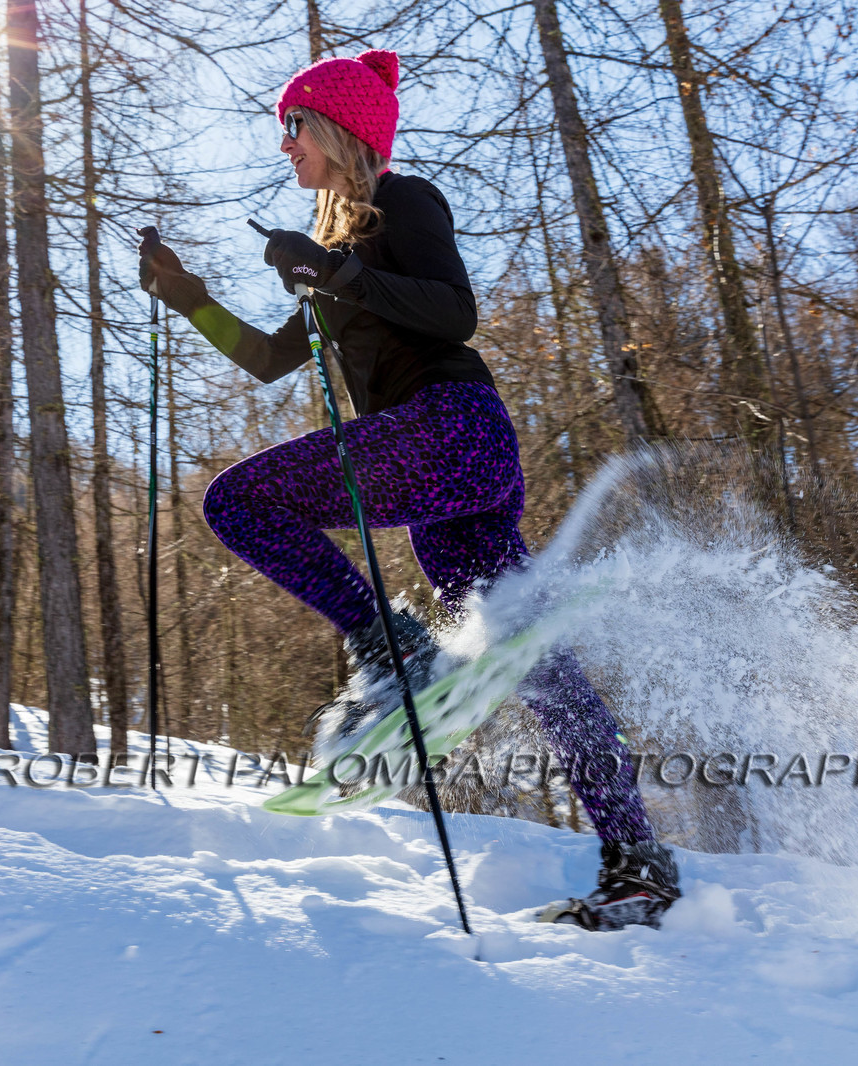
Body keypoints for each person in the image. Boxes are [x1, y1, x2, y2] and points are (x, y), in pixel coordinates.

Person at [137, 48, 679, 931]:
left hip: (451, 429)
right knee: (532, 658)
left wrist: (337, 272)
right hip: (451, 474)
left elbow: (453, 312)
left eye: (295, 126)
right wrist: (188, 296)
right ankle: (636, 864)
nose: (285, 146)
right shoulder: (337, 248)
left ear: (341, 130)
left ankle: (392, 650)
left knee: (238, 502)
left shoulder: (406, 203)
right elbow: (274, 361)